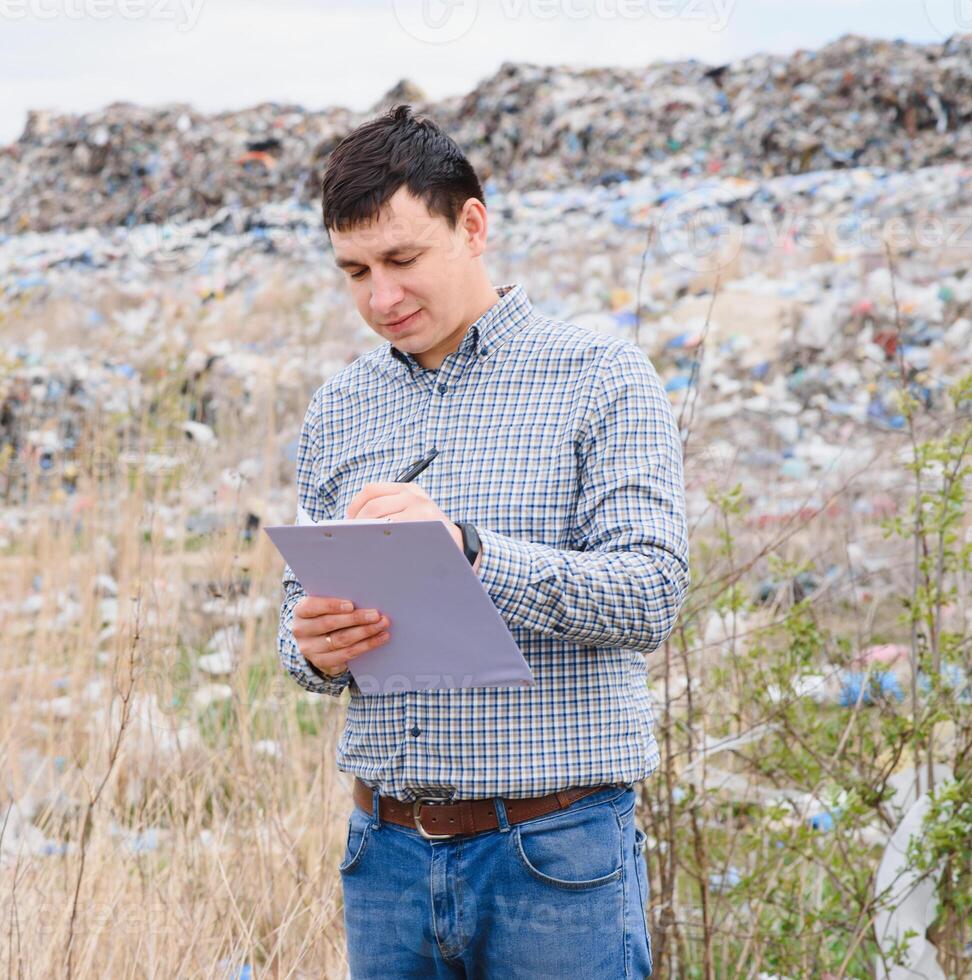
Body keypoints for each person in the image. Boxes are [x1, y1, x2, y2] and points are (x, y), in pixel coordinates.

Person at [275, 104, 688, 978]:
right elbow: (296, 631)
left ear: (473, 225)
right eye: (354, 270)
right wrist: (313, 647)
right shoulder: (337, 410)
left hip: (555, 855)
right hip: (381, 857)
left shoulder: (600, 377)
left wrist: (468, 551)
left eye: (402, 259)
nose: (380, 297)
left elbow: (651, 594)